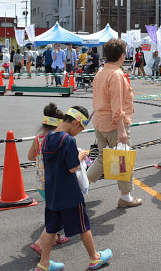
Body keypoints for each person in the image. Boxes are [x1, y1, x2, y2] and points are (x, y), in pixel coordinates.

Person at [38, 105, 113, 271]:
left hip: (52, 192)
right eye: (80, 129)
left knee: (51, 227)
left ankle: (43, 263)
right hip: (69, 194)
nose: (78, 132)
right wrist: (81, 155)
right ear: (76, 123)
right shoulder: (68, 140)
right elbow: (72, 168)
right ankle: (94, 258)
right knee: (83, 225)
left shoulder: (48, 136)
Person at [87, 38, 143, 208]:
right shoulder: (116, 74)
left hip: (100, 122)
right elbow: (116, 106)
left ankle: (79, 185)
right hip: (114, 124)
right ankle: (125, 197)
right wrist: (122, 130)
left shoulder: (101, 72)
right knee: (123, 160)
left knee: (103, 158)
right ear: (122, 55)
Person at [28, 103, 69, 257]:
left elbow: (30, 157)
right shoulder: (57, 139)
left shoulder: (38, 139)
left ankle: (56, 237)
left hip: (41, 183)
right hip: (54, 183)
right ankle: (40, 243)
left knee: (53, 210)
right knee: (57, 214)